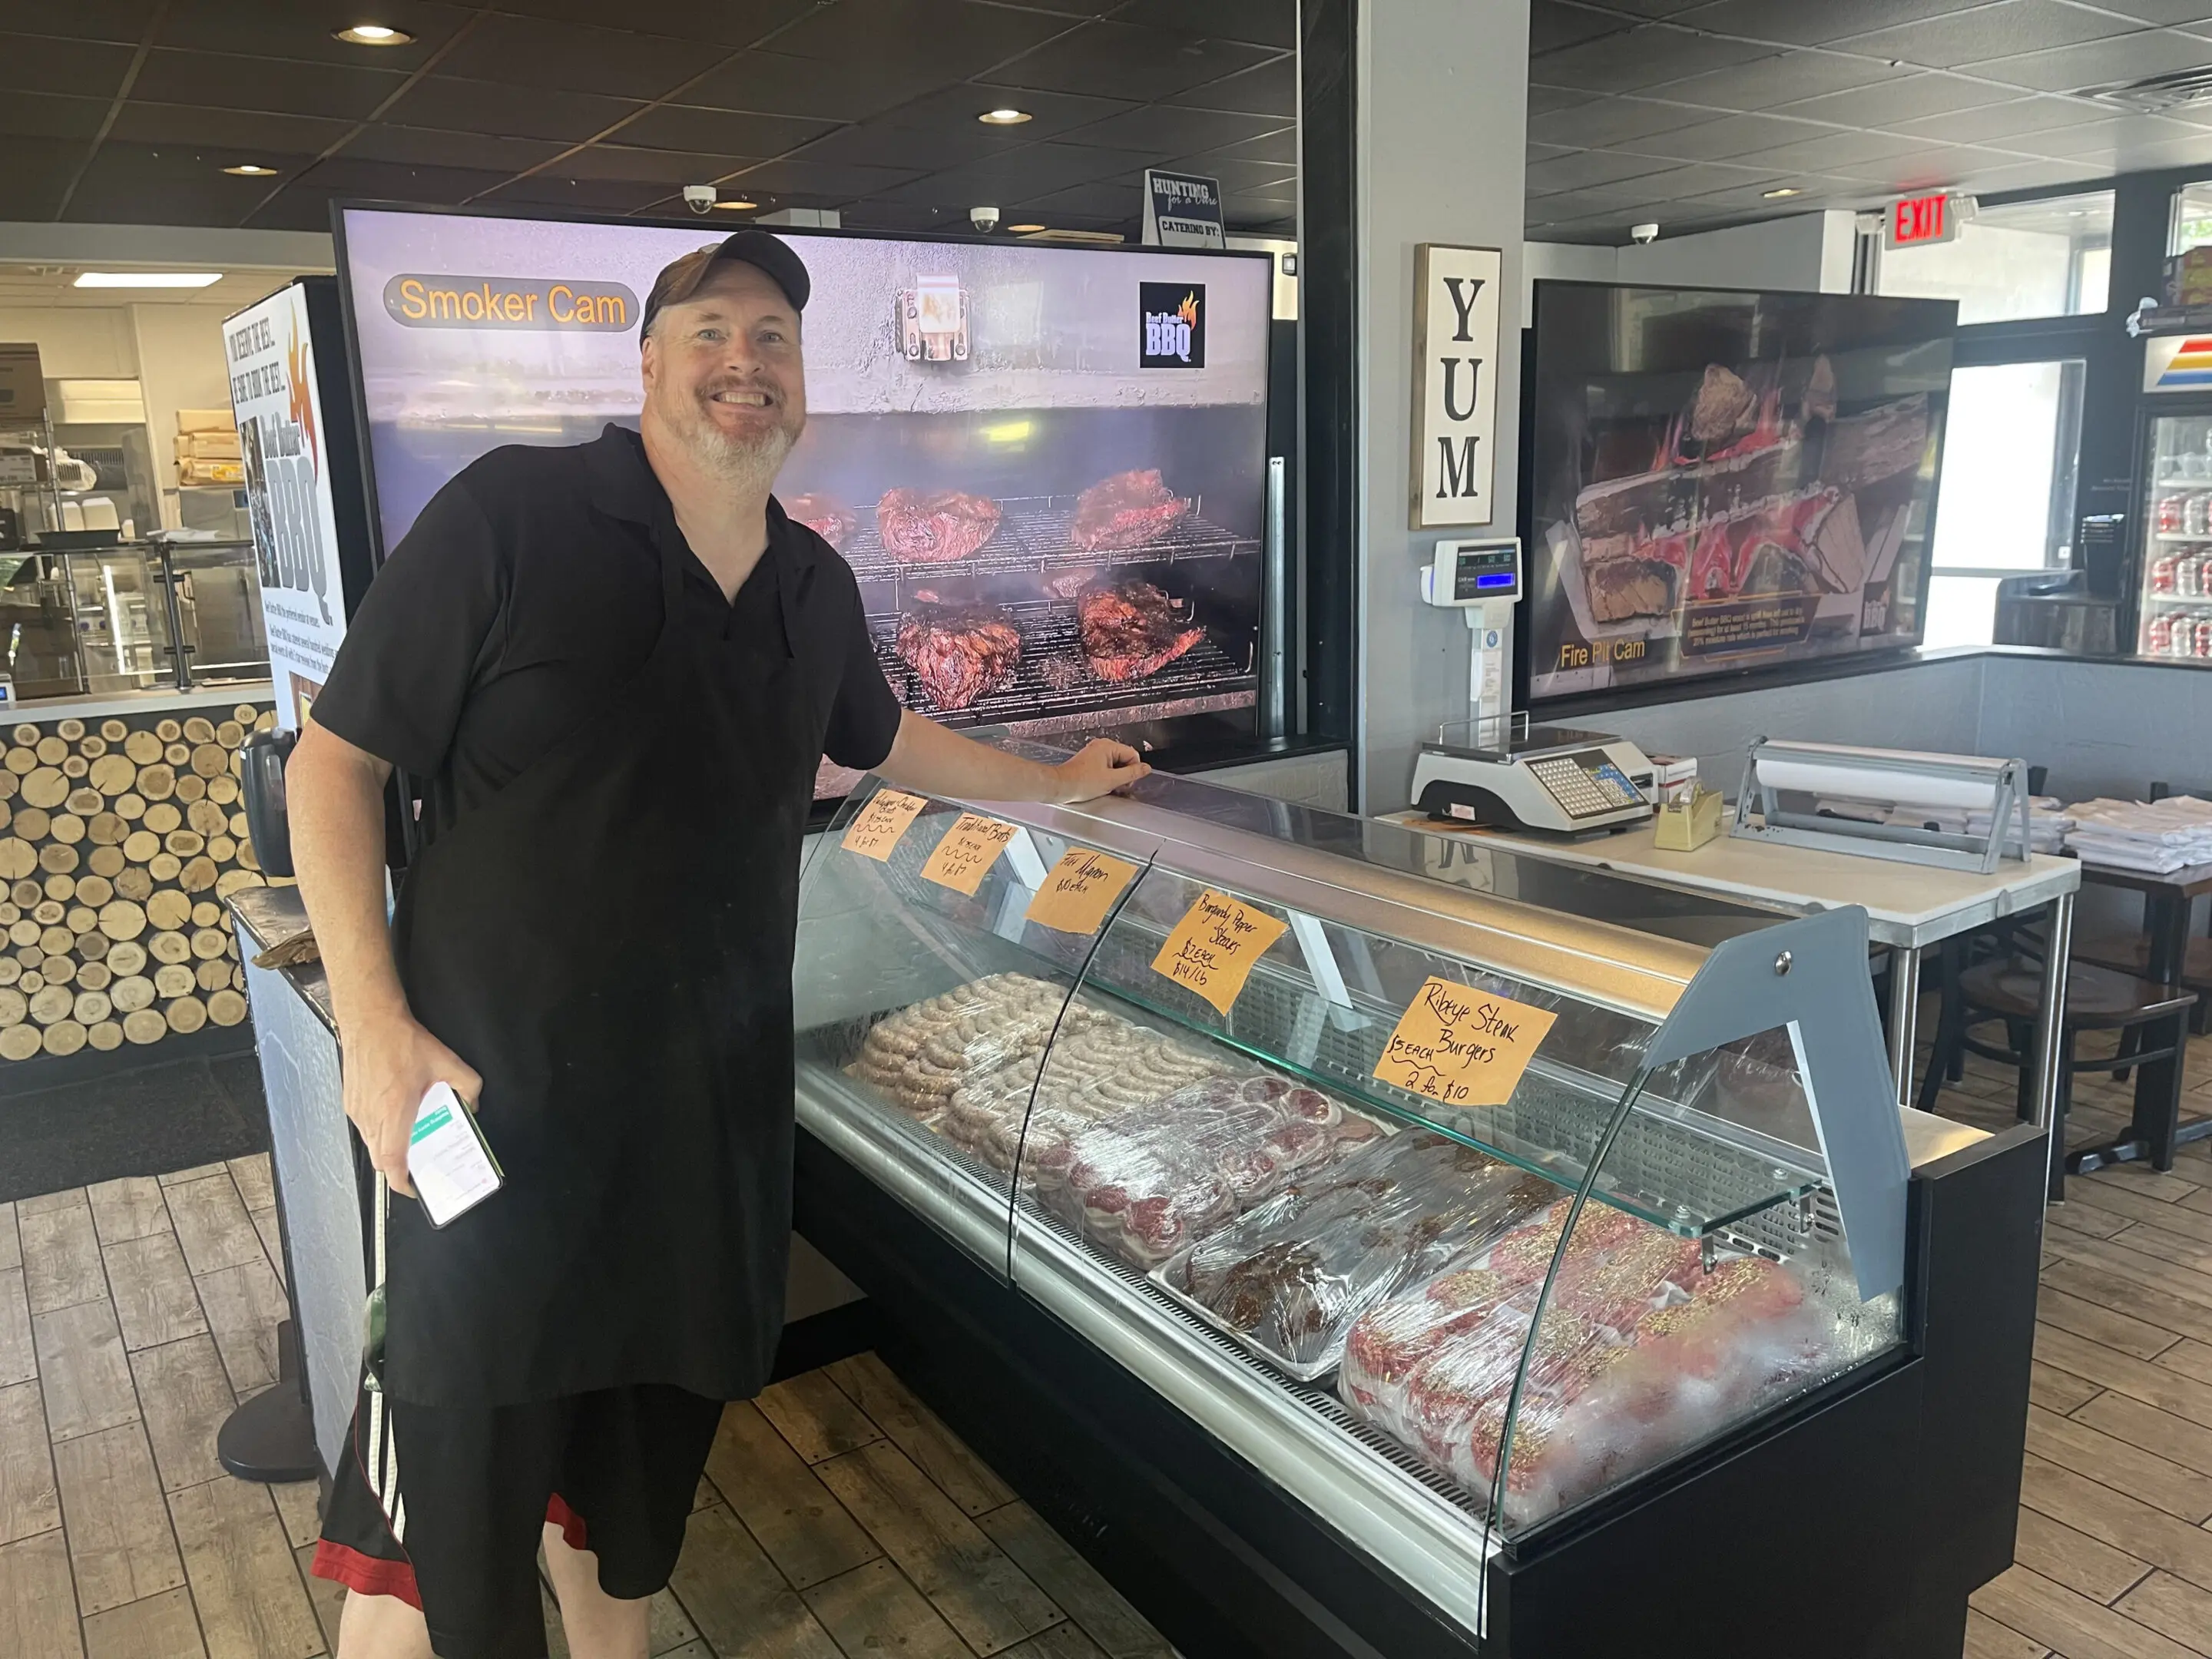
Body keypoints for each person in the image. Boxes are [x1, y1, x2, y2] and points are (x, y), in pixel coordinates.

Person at [290, 230, 1147, 1659]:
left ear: (802, 381)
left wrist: (1054, 780)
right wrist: (375, 1033)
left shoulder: (810, 582)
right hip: (488, 1114)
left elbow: (885, 743)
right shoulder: (516, 512)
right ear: (648, 364)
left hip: (701, 1130)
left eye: (773, 339)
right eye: (710, 331)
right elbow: (336, 767)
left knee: (635, 1486)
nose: (743, 362)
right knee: (451, 1503)